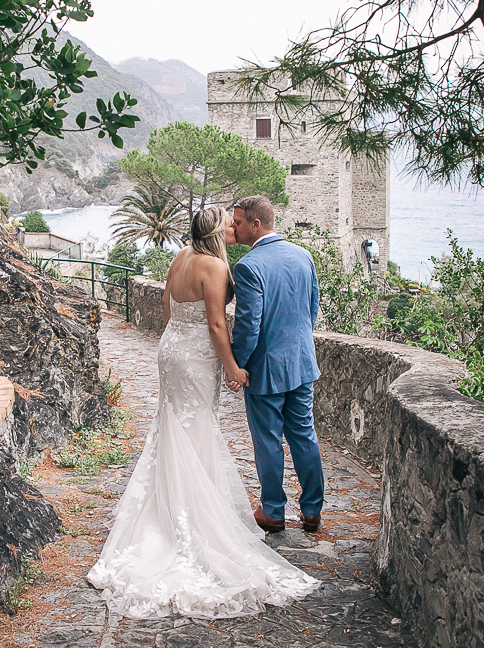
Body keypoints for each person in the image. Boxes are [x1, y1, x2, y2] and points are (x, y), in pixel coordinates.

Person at [87, 206, 320, 619]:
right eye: (228, 224)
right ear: (216, 231)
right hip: (208, 356)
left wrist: (178, 339)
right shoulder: (219, 265)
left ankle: (184, 505)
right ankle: (205, 516)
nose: (234, 228)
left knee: (173, 427)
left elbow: (166, 304)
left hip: (172, 349)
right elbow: (216, 325)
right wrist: (232, 367)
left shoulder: (181, 256)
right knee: (199, 431)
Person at [228, 196, 325, 535]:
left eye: (238, 222)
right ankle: (312, 512)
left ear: (256, 224)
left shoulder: (248, 266)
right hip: (301, 363)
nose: (234, 227)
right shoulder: (304, 255)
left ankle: (273, 512)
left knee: (268, 440)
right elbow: (311, 311)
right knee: (304, 435)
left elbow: (248, 326)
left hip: (265, 369)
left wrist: (236, 365)